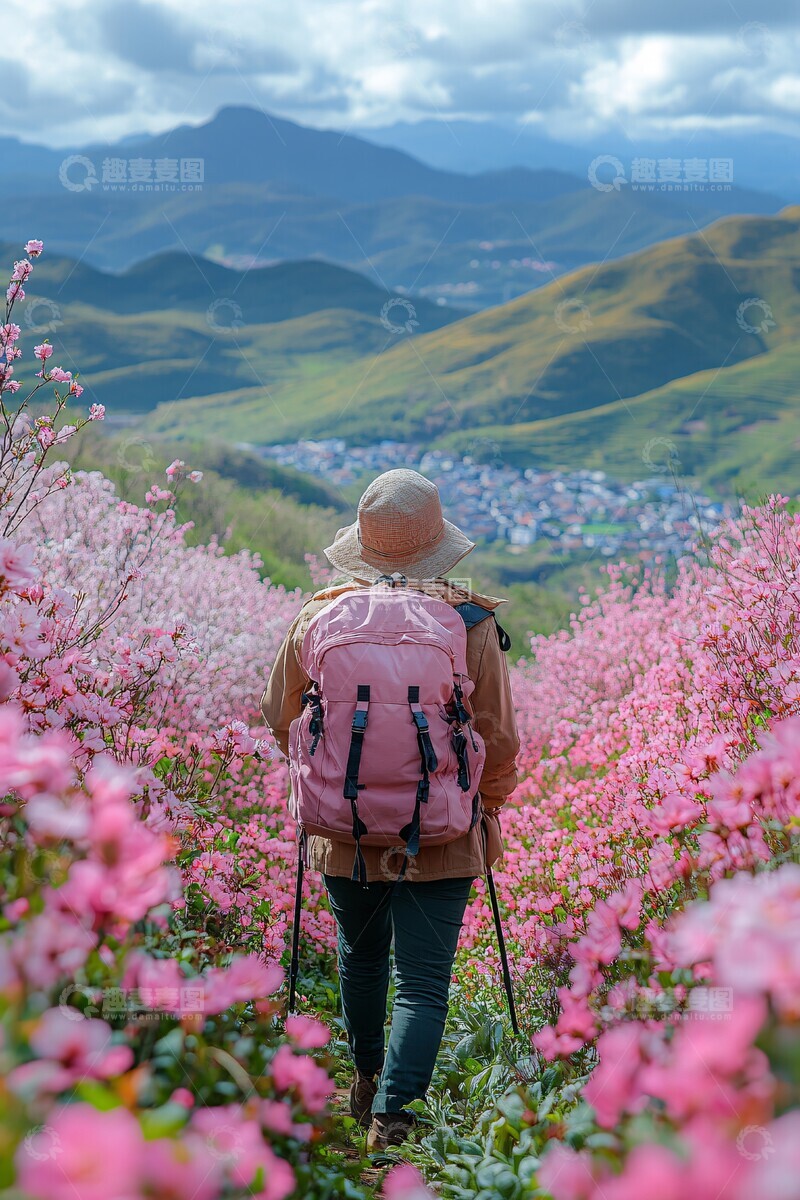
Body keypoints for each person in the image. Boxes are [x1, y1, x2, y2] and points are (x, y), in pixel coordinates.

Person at [261, 468, 519, 1152]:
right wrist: (482, 808)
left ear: (363, 544)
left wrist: (328, 767)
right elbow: (498, 735)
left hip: (343, 827)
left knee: (361, 957)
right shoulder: (471, 621)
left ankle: (367, 1075)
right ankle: (396, 1121)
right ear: (438, 544)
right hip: (442, 831)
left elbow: (278, 713)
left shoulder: (319, 615)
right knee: (424, 981)